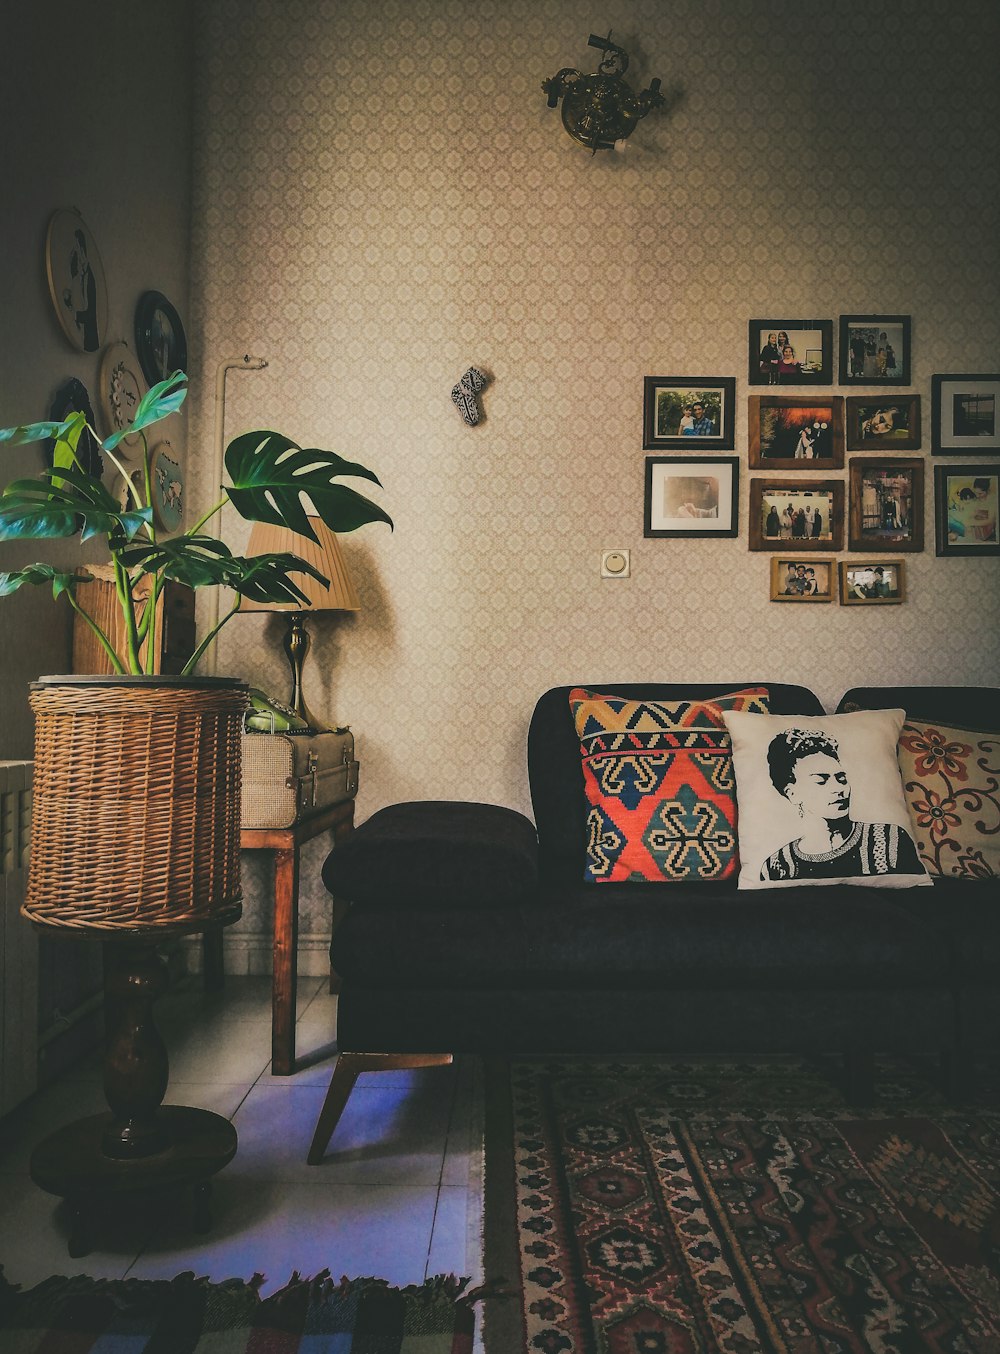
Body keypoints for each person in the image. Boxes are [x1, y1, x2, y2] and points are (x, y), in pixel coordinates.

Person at [760, 728, 923, 880]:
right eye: (820, 781)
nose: (838, 789)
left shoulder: (889, 839)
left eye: (841, 779)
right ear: (793, 794)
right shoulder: (778, 865)